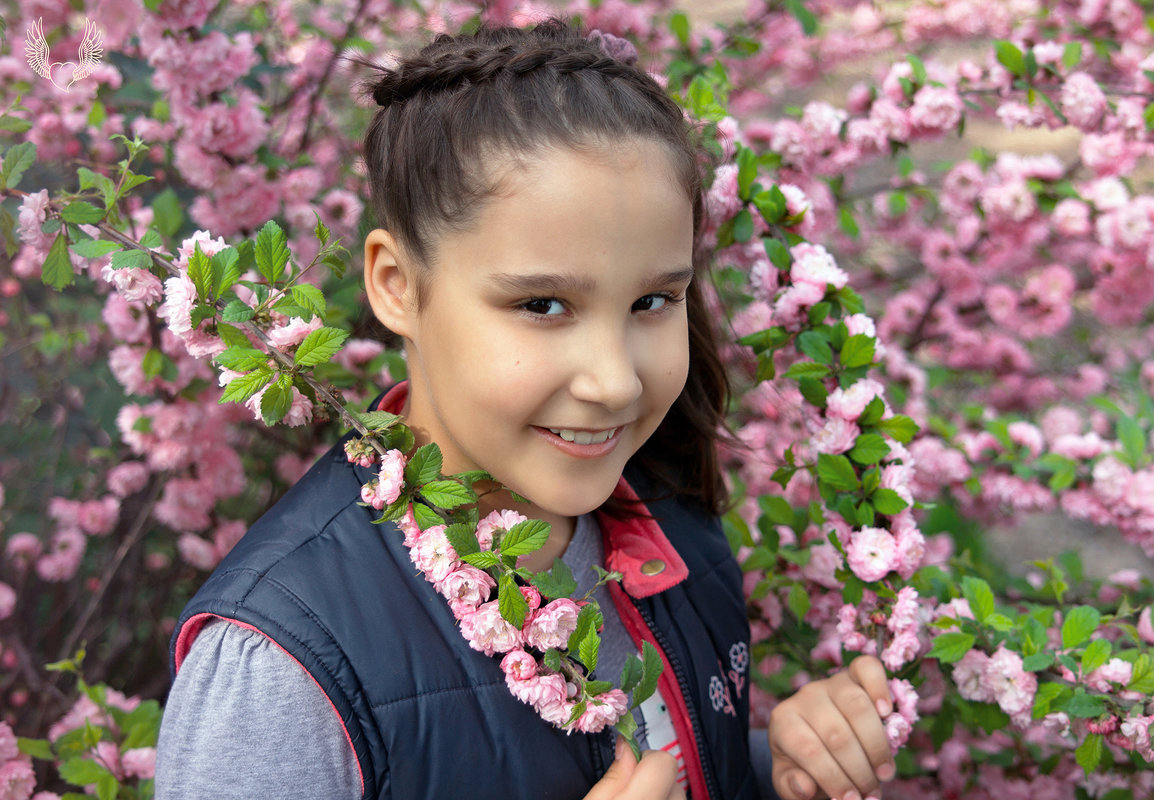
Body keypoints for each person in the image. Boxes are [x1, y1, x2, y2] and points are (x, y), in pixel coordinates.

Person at [155, 19, 895, 800]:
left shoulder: (674, 522)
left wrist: (776, 774)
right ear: (397, 285)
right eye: (542, 304)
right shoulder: (282, 672)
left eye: (653, 300)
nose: (614, 382)